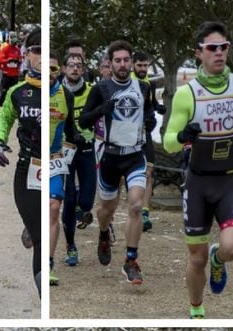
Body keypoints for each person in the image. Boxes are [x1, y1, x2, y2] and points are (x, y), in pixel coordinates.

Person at [163, 21, 233, 319]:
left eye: (224, 47)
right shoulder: (186, 94)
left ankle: (218, 260)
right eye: (212, 48)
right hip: (198, 183)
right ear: (199, 53)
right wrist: (183, 137)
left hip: (230, 180)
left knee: (232, 248)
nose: (219, 53)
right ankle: (196, 309)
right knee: (195, 260)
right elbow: (168, 141)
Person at [79, 40, 155, 286]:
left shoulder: (143, 88)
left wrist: (150, 122)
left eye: (126, 60)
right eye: (118, 61)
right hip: (110, 155)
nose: (123, 65)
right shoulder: (100, 88)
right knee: (107, 210)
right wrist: (103, 108)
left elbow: (149, 114)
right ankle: (103, 233)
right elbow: (83, 121)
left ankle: (131, 260)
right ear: (110, 63)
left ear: (132, 62)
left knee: (135, 206)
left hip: (135, 155)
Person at [0, 28, 42, 296]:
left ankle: (33, 221)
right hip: (28, 168)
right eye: (36, 50)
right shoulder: (17, 92)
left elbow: (78, 126)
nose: (42, 56)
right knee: (41, 238)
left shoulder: (61, 92)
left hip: (58, 168)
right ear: (27, 55)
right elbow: (4, 119)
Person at [61, 53, 97, 264]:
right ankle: (71, 246)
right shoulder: (57, 91)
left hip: (86, 148)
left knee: (85, 200)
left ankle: (81, 210)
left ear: (83, 70)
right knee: (69, 199)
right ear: (65, 69)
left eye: (79, 66)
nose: (75, 69)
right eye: (71, 65)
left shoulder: (93, 90)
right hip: (65, 150)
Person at [48, 51, 76, 287]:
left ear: (60, 71)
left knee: (54, 207)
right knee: (37, 210)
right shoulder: (25, 91)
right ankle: (30, 225)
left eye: (54, 69)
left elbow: (71, 127)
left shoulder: (65, 94)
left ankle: (48, 264)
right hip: (31, 158)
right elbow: (7, 118)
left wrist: (78, 139)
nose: (49, 73)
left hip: (55, 157)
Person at [132, 51, 166, 232]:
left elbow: (152, 104)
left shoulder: (150, 84)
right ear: (133, 65)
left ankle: (144, 212)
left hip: (146, 134)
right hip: (129, 137)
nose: (143, 69)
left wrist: (159, 108)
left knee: (149, 171)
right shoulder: (127, 83)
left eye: (145, 65)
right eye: (139, 65)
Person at [0, 32, 23, 107]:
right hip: (7, 74)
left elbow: (20, 59)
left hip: (15, 74)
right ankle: (1, 106)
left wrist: (18, 61)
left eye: (15, 37)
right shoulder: (5, 49)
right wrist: (8, 60)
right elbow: (0, 60)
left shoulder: (17, 49)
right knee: (5, 91)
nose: (14, 40)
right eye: (12, 38)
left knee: (14, 91)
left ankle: (13, 106)